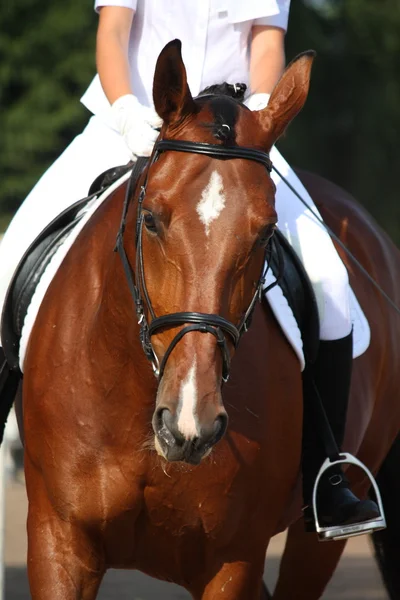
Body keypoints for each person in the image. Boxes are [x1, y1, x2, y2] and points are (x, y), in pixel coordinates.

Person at [0, 0, 379, 534]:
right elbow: (113, 33)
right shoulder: (128, 114)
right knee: (8, 259)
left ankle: (328, 477)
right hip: (133, 117)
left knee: (331, 282)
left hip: (238, 137)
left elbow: (266, 43)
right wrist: (131, 115)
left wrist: (264, 114)